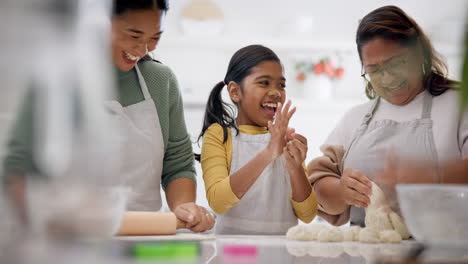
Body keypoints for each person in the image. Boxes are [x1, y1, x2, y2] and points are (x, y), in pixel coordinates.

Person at [1, 0, 214, 233]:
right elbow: (18, 166)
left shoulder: (160, 81)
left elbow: (177, 163)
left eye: (154, 37)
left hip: (146, 236)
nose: (143, 49)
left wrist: (184, 208)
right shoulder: (58, 80)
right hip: (72, 239)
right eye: (134, 36)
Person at [307, 5, 468, 227]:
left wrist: (426, 176)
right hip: (365, 256)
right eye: (374, 70)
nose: (387, 78)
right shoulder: (355, 118)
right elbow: (317, 187)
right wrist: (342, 192)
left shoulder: (460, 105)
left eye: (396, 63)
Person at [197, 45, 317, 235]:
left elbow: (308, 215)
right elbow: (217, 201)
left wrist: (295, 168)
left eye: (281, 85)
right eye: (264, 83)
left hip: (282, 253)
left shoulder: (287, 139)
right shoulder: (218, 135)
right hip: (236, 252)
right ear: (235, 92)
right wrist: (269, 153)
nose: (276, 92)